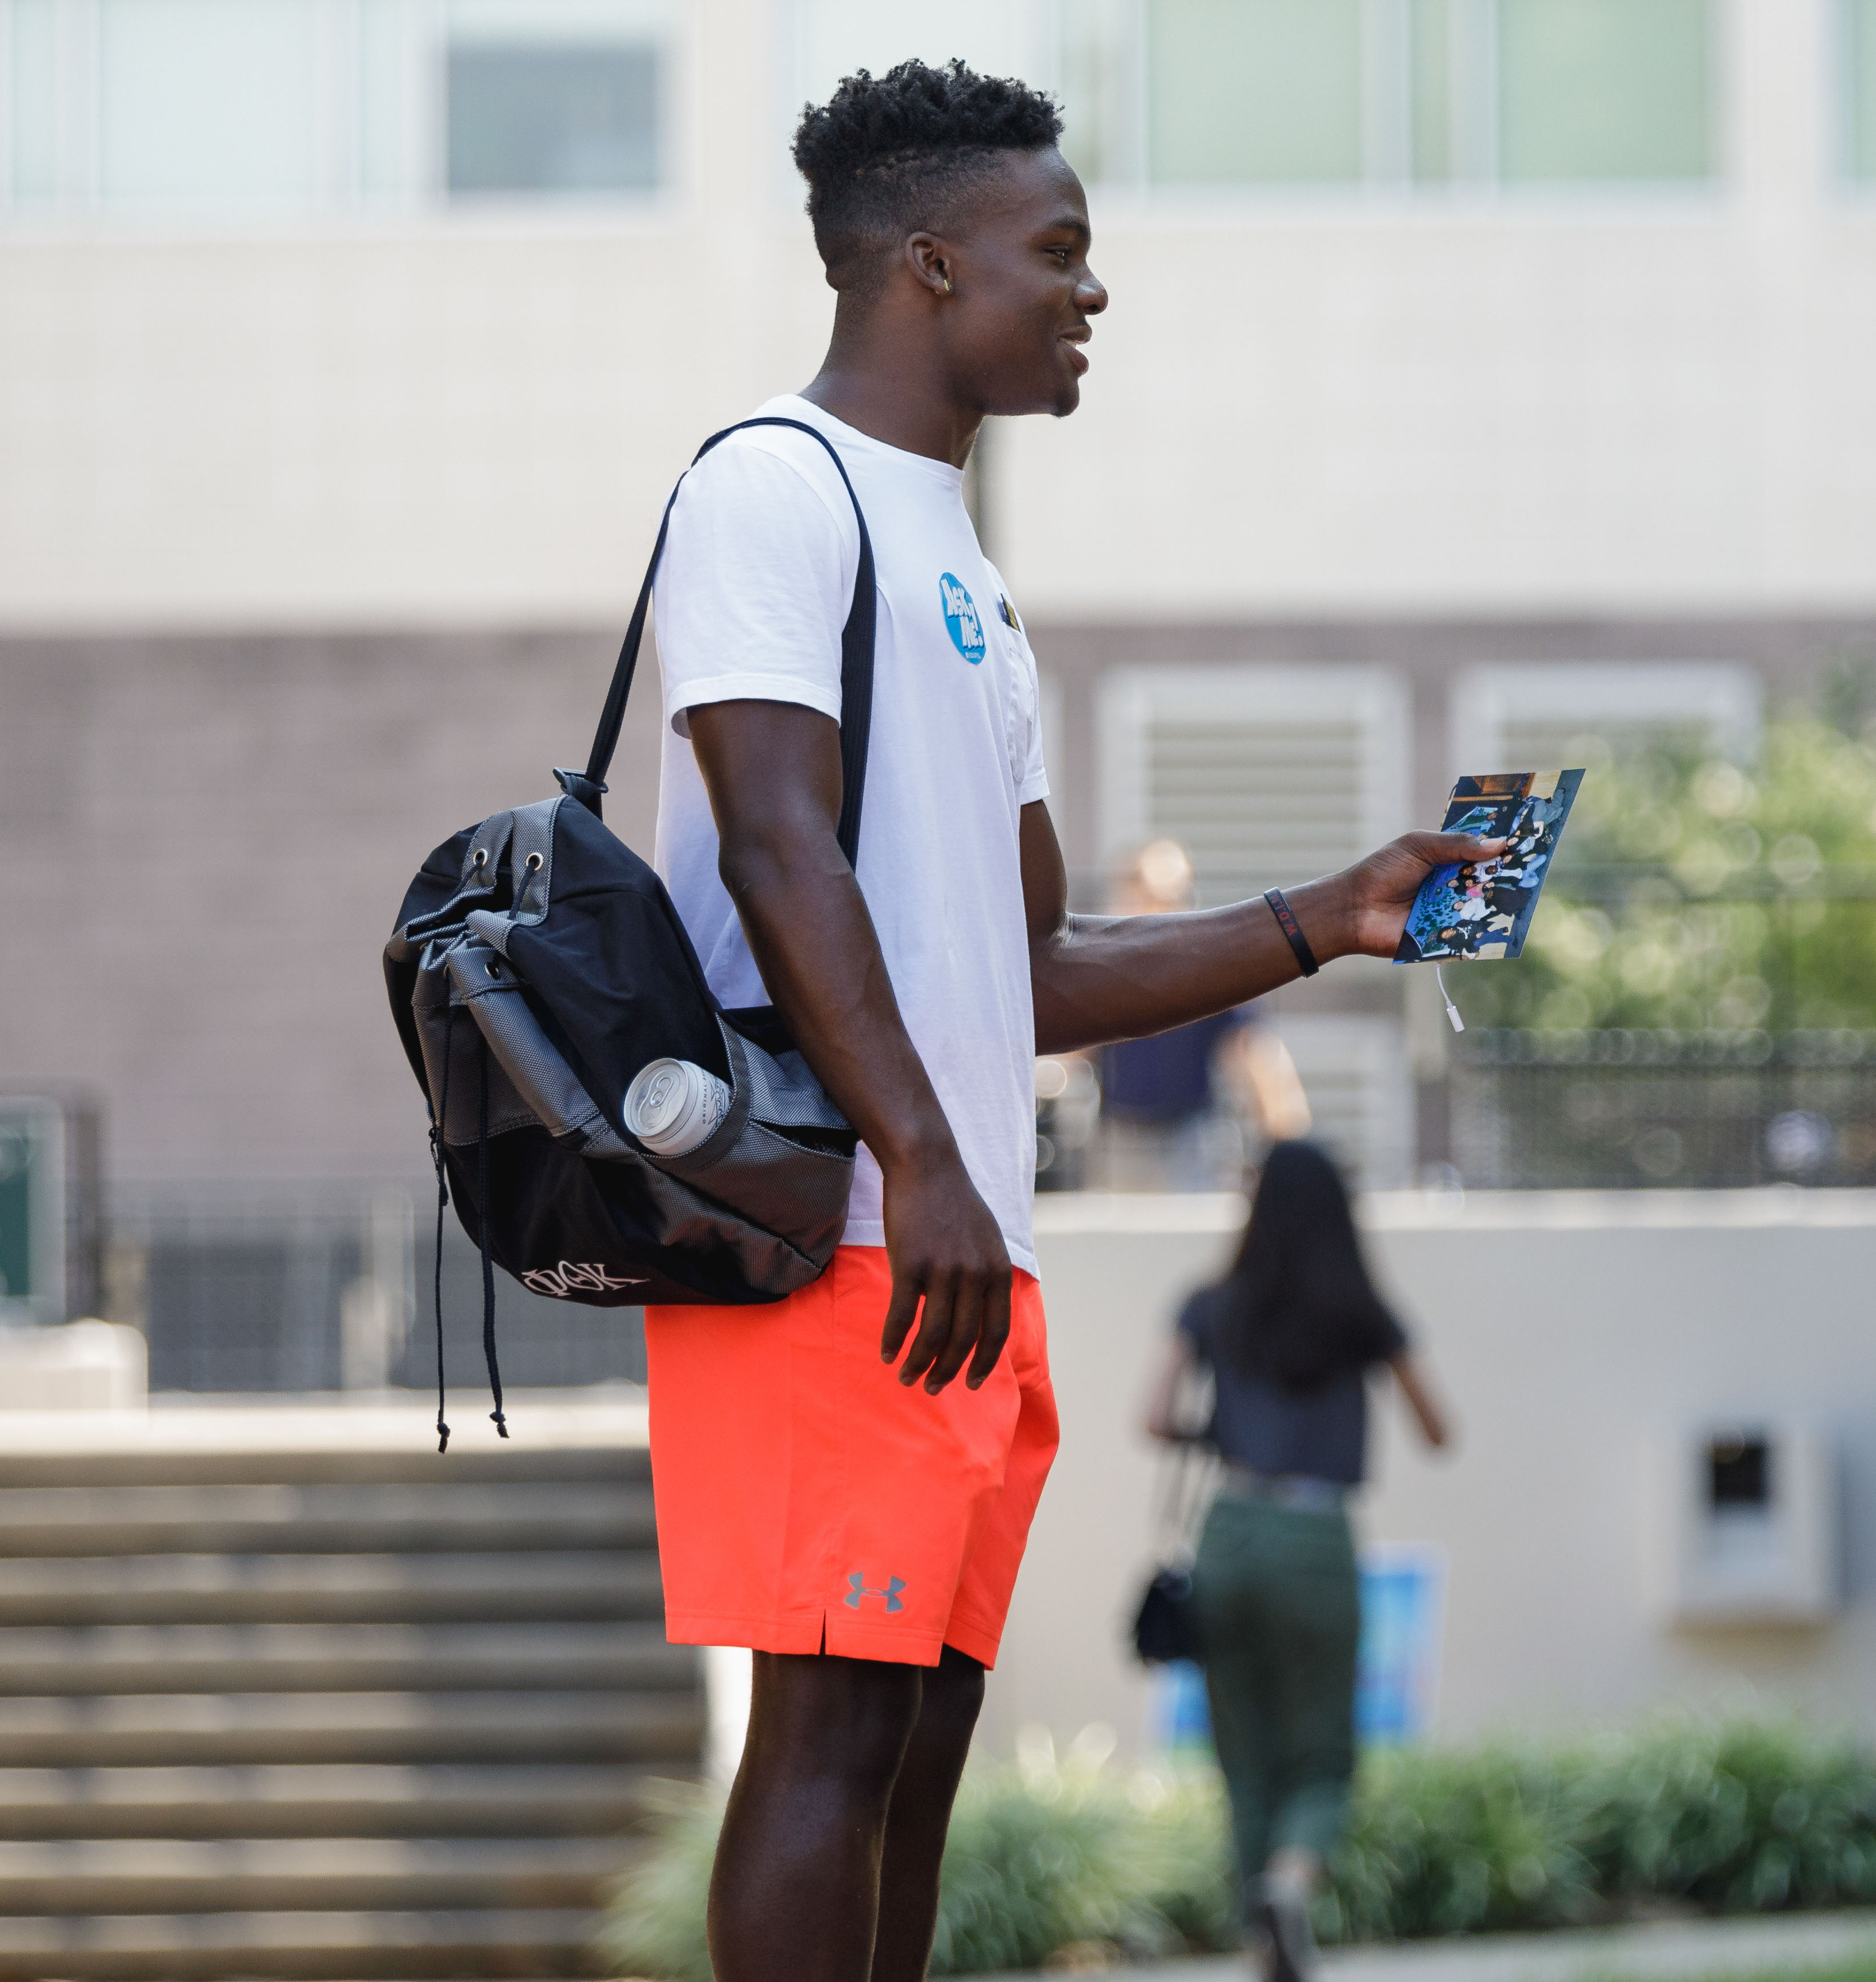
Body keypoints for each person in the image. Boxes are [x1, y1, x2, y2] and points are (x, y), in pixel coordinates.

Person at [636, 63, 1499, 1982]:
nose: (1089, 294)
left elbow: (1023, 969)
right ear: (929, 265)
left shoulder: (965, 576)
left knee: (919, 1750)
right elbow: (780, 850)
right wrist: (923, 1155)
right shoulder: (771, 485)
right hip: (833, 1234)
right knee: (829, 1731)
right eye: (1061, 253)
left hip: (954, 1252)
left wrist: (1326, 917)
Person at [1138, 1139, 1450, 1982]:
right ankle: (1289, 1884)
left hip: (1230, 1532)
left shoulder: (1210, 1304)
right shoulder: (1361, 1312)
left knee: (1242, 1754)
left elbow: (1154, 1416)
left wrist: (1226, 1433)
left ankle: (1257, 1943)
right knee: (1323, 1754)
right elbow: (1438, 1428)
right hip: (1316, 1537)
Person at [1092, 839, 1311, 1191]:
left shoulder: (1212, 969)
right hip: (1122, 1136)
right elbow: (1066, 1052)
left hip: (1191, 1137)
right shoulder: (1104, 972)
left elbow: (1255, 1054)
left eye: (1172, 898)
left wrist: (1290, 1148)